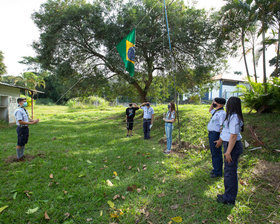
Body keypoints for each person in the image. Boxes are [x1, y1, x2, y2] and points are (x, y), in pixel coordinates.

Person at [215, 96, 244, 205]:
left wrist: (228, 152)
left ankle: (229, 199)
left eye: (228, 104)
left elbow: (233, 136)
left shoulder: (235, 117)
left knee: (230, 173)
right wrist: (221, 140)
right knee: (228, 172)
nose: (226, 105)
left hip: (232, 147)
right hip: (230, 145)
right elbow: (227, 132)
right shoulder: (231, 116)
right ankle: (228, 195)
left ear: (231, 105)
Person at [207, 97, 226, 178]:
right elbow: (210, 110)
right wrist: (212, 103)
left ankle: (218, 172)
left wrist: (220, 139)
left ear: (220, 104)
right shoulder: (216, 111)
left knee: (216, 153)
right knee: (213, 153)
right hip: (211, 134)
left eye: (216, 102)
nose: (214, 103)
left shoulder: (222, 113)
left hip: (216, 135)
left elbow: (222, 127)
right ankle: (216, 169)